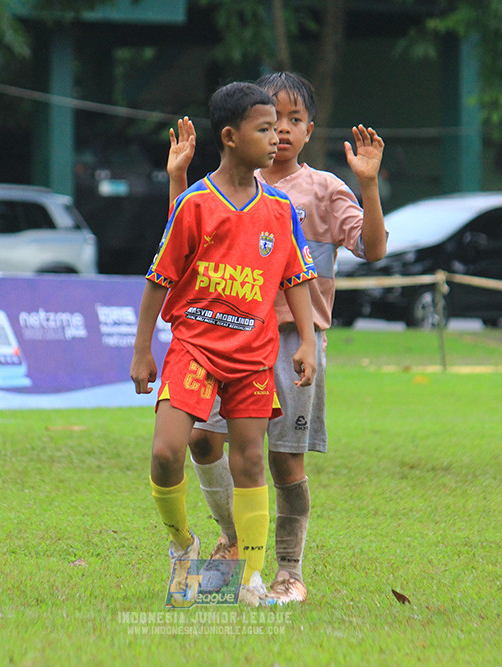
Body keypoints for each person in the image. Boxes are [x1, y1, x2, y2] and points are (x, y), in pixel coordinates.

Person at [167, 71, 387, 604]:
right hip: (228, 336)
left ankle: (289, 570)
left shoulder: (324, 190)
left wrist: (369, 184)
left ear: (310, 129)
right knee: (201, 439)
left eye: (293, 120)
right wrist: (177, 179)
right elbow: (179, 242)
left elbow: (374, 249)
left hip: (293, 345)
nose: (282, 131)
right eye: (272, 120)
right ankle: (235, 538)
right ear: (245, 127)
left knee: (284, 458)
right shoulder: (235, 181)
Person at [131, 81, 318, 607]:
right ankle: (183, 546)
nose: (278, 136)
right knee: (167, 451)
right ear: (232, 137)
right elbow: (158, 278)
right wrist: (143, 349)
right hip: (194, 347)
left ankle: (252, 578)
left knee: (250, 464)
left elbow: (296, 277)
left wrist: (307, 341)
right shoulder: (194, 204)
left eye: (282, 127)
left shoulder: (280, 209)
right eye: (265, 128)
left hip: (254, 355)